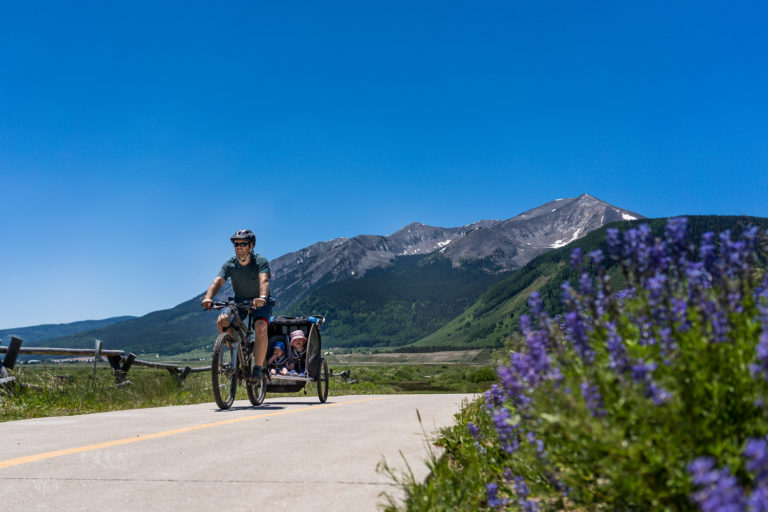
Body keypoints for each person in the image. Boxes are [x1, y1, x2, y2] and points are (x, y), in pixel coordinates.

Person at [201, 229, 272, 381]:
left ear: (251, 246)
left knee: (260, 326)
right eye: (236, 244)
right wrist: (208, 298)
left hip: (260, 301)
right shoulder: (230, 264)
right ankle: (236, 354)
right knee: (222, 320)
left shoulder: (260, 261)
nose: (239, 247)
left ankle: (258, 368)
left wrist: (262, 297)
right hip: (239, 301)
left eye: (243, 244)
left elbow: (264, 280)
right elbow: (218, 280)